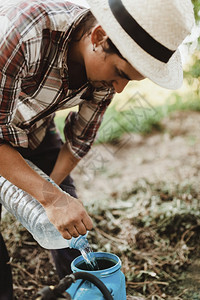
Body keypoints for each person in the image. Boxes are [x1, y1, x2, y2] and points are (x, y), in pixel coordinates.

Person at [0, 0, 194, 298]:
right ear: (99, 37)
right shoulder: (23, 33)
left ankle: (83, 290)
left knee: (71, 226)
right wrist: (49, 198)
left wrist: (53, 197)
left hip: (33, 128)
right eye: (120, 73)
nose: (118, 89)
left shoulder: (103, 79)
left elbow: (78, 142)